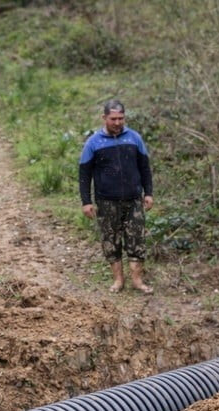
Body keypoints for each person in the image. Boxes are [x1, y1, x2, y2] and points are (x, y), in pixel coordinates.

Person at [78, 99, 154, 294]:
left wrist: (149, 193)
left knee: (136, 240)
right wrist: (86, 201)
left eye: (121, 118)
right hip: (106, 201)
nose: (118, 122)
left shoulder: (134, 138)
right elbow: (84, 174)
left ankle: (137, 281)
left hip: (134, 199)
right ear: (104, 118)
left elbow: (145, 167)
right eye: (113, 119)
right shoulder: (94, 142)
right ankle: (118, 280)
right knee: (110, 241)